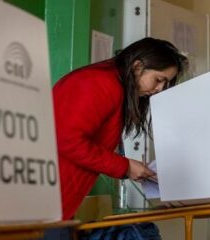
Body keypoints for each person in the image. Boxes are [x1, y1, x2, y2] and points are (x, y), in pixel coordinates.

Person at [53, 37, 187, 220]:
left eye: (165, 84)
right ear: (137, 66)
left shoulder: (112, 85)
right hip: (46, 203)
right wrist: (125, 167)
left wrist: (129, 167)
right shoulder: (99, 83)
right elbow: (67, 139)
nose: (159, 89)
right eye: (158, 80)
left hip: (58, 204)